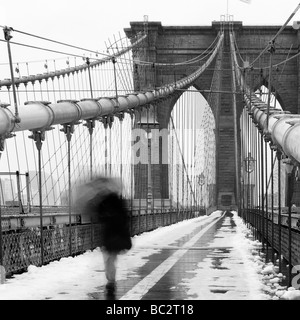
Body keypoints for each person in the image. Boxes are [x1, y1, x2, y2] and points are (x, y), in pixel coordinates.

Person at [76, 176, 132, 299]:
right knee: (111, 258)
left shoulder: (103, 200)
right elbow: (125, 217)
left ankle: (110, 282)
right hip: (115, 233)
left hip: (110, 234)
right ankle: (111, 281)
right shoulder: (117, 199)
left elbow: (95, 213)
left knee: (109, 258)